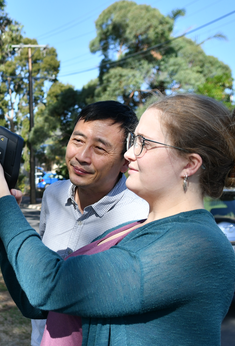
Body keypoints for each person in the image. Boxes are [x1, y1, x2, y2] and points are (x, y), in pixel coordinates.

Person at [0, 94, 235, 346]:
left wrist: (2, 197)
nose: (129, 154)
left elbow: (50, 285)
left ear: (189, 164)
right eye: (134, 141)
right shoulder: (133, 232)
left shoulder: (197, 248)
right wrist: (2, 222)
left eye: (144, 143)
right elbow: (37, 301)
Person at [32, 101, 149, 346]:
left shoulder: (142, 214)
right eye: (77, 140)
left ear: (125, 161)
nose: (81, 157)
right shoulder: (52, 195)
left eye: (99, 148)